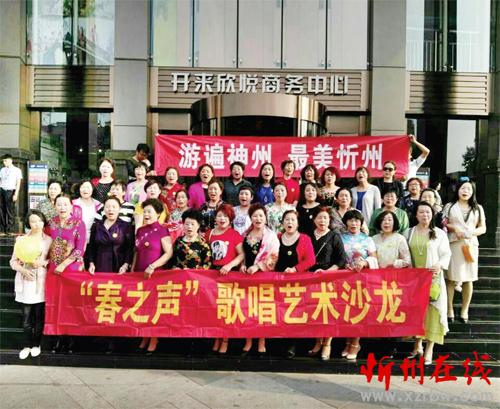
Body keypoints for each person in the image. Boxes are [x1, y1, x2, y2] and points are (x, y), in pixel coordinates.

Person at [405, 202, 451, 365]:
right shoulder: (408, 232)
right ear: (416, 215)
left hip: (432, 278)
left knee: (432, 312)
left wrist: (439, 265)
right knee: (417, 312)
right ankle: (417, 345)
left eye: (428, 212)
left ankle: (429, 348)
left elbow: (446, 254)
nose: (425, 215)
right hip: (413, 280)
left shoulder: (439, 233)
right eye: (422, 212)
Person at [47, 194, 87, 354]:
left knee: (71, 304)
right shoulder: (51, 223)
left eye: (65, 204)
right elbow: (46, 243)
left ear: (71, 206)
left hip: (71, 271)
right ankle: (57, 338)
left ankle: (71, 339)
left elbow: (79, 249)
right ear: (54, 206)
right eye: (59, 204)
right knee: (56, 303)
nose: (62, 207)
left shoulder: (79, 223)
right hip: (53, 270)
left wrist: (64, 265)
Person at [132, 198, 173, 354]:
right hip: (139, 273)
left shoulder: (162, 230)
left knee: (153, 308)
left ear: (158, 213)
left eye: (150, 211)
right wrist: (132, 269)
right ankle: (144, 336)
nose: (146, 214)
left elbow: (168, 253)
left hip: (155, 274)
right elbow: (136, 252)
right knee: (142, 307)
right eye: (145, 212)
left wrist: (153, 266)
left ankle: (154, 338)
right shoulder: (140, 231)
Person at [10, 210, 52, 359]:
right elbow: (13, 261)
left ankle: (36, 344)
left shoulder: (49, 240)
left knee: (39, 316)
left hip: (41, 281)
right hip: (25, 280)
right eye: (33, 221)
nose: (37, 224)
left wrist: (43, 263)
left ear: (43, 222)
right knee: (27, 318)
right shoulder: (21, 240)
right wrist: (23, 269)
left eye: (39, 221)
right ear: (28, 223)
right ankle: (26, 345)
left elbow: (52, 260)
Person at [443, 180, 486, 324]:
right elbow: (444, 223)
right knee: (450, 277)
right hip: (454, 244)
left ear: (473, 192)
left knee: (469, 278)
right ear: (458, 190)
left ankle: (464, 310)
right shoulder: (449, 206)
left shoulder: (478, 208)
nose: (465, 191)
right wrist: (455, 228)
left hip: (470, 245)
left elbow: (483, 228)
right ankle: (449, 309)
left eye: (468, 189)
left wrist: (471, 232)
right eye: (463, 188)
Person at [275, 209, 316, 359]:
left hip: (298, 283)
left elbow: (311, 260)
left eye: (293, 219)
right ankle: (279, 343)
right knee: (279, 312)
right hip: (278, 282)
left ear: (298, 223)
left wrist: (295, 269)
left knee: (294, 313)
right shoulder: (277, 237)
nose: (290, 222)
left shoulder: (305, 238)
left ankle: (292, 345)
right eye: (287, 219)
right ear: (282, 223)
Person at [240, 204, 279, 357]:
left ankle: (262, 340)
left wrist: (258, 266)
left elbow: (274, 256)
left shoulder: (271, 236)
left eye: (261, 216)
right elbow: (241, 253)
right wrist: (242, 265)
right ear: (251, 218)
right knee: (247, 309)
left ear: (265, 218)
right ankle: (248, 339)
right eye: (255, 216)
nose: (258, 218)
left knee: (262, 310)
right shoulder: (245, 234)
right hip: (247, 277)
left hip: (263, 276)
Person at [308, 207, 347, 361]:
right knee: (315, 312)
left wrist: (327, 272)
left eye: (325, 218)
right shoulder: (308, 236)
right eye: (319, 217)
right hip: (310, 279)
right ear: (314, 220)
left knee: (328, 312)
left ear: (329, 220)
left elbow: (341, 259)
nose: (322, 221)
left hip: (328, 279)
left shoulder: (334, 236)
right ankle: (318, 341)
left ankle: (327, 343)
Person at [207, 204, 244, 355]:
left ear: (230, 219)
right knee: (214, 308)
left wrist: (229, 265)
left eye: (226, 216)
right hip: (212, 275)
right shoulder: (209, 233)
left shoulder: (234, 234)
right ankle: (216, 337)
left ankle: (225, 340)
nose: (222, 219)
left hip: (229, 274)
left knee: (226, 308)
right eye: (220, 216)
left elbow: (241, 254)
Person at [340, 210, 378, 361]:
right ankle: (347, 341)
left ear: (361, 223)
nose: (353, 223)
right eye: (350, 220)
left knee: (358, 311)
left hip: (362, 280)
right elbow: (337, 256)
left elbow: (374, 259)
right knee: (345, 311)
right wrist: (344, 264)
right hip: (344, 279)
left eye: (356, 220)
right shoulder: (340, 237)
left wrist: (365, 262)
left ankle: (355, 343)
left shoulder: (367, 239)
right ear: (346, 222)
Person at [87, 196, 134, 274]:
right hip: (99, 265)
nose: (110, 209)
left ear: (119, 209)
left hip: (119, 267)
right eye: (107, 207)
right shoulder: (97, 225)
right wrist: (91, 263)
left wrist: (125, 265)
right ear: (104, 209)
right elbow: (91, 247)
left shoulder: (125, 226)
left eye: (114, 207)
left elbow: (129, 249)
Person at [72, 180, 102, 245]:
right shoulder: (73, 204)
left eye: (88, 187)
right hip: (75, 240)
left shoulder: (99, 205)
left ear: (92, 189)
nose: (85, 190)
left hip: (94, 241)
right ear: (79, 189)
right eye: (82, 187)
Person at [0, 153, 23, 235]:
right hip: (2, 190)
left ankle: (9, 229)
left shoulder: (17, 170)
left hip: (10, 191)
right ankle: (3, 228)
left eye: (5, 161)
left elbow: (18, 183)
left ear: (10, 160)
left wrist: (16, 194)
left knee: (9, 210)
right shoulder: (2, 170)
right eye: (3, 161)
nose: (4, 163)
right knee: (1, 209)